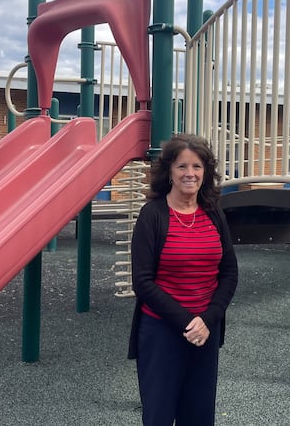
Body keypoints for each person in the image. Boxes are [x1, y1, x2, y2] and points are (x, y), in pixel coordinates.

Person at [127, 134, 239, 426]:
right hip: (162, 332)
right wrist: (188, 322)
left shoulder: (214, 214)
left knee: (200, 416)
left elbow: (229, 273)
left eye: (197, 166)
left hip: (205, 332)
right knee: (159, 416)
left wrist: (208, 320)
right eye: (182, 166)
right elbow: (143, 282)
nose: (190, 173)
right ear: (169, 172)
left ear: (206, 171)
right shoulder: (152, 216)